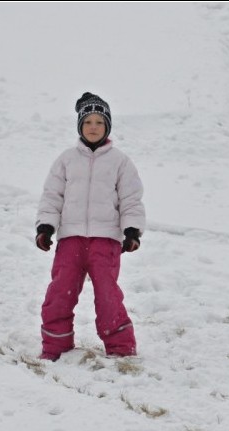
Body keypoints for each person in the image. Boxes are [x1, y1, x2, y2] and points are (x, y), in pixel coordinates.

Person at [34, 92, 146, 361]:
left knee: (108, 296)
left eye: (98, 122)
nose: (93, 127)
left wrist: (131, 230)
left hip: (105, 241)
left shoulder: (120, 161)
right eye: (87, 122)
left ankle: (121, 349)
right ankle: (56, 346)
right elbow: (52, 196)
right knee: (60, 292)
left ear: (107, 126)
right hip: (70, 239)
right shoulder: (66, 160)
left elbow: (131, 199)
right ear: (80, 127)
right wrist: (46, 227)